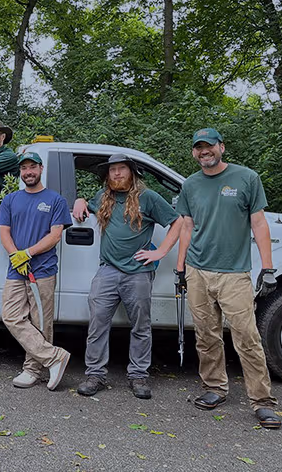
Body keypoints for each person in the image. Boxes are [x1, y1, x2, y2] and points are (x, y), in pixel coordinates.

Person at [175, 127, 280, 429]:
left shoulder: (246, 178)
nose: (204, 151)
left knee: (247, 337)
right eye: (198, 147)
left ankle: (263, 402)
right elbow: (186, 226)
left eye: (209, 146)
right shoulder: (191, 185)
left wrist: (268, 268)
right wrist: (181, 267)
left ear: (221, 147)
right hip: (198, 271)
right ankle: (214, 388)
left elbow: (259, 224)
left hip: (234, 273)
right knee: (206, 336)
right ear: (194, 152)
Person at [72, 153, 180, 400]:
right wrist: (79, 200)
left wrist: (160, 252)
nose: (117, 173)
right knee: (98, 324)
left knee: (141, 327)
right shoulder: (103, 198)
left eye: (122, 169)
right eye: (112, 170)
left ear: (131, 172)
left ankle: (138, 376)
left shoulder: (148, 198)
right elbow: (85, 206)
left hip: (138, 273)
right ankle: (95, 374)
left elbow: (178, 223)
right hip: (107, 270)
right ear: (107, 175)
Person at [0, 152, 73, 391]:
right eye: (24, 168)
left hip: (43, 270)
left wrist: (28, 253)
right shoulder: (11, 199)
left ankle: (33, 370)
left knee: (41, 322)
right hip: (16, 270)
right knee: (11, 315)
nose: (28, 172)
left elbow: (55, 235)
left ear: (41, 169)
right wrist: (15, 256)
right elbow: (4, 232)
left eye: (32, 167)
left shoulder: (55, 200)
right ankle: (54, 356)